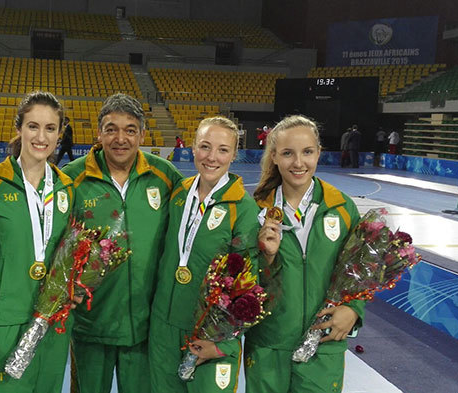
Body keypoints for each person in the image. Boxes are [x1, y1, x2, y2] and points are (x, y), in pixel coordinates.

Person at [62, 93, 183, 393]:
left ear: (142, 134)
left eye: (130, 130)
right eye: (111, 129)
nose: (120, 138)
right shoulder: (71, 178)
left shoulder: (165, 176)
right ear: (99, 133)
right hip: (90, 325)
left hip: (145, 327)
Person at [244, 115, 364, 393]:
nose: (298, 163)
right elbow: (242, 282)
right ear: (274, 156)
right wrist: (267, 258)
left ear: (319, 153)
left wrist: (354, 310)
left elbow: (357, 273)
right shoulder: (254, 210)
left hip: (323, 344)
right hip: (267, 345)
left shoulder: (342, 207)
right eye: (288, 153)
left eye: (307, 152)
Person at [149, 117, 262, 393]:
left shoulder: (243, 208)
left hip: (211, 334)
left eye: (223, 150)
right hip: (163, 327)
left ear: (234, 155)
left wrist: (221, 342)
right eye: (205, 147)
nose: (212, 157)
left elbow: (248, 287)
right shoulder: (178, 193)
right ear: (193, 147)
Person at [0, 91, 76, 393]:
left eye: (50, 128)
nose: (41, 137)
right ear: (18, 128)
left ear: (60, 134)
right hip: (3, 321)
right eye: (33, 126)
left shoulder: (67, 188)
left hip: (53, 325)